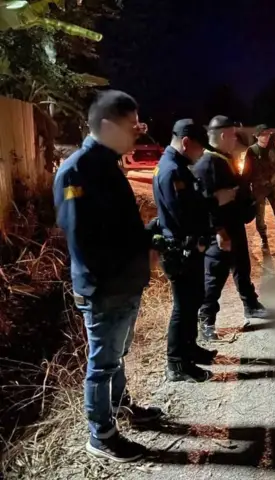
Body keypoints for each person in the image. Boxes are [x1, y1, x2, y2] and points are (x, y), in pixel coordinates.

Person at [53, 90, 161, 462]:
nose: (138, 132)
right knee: (102, 365)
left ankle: (120, 407)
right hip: (104, 289)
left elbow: (119, 229)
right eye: (132, 125)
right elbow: (84, 243)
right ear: (107, 126)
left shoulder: (107, 165)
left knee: (117, 356)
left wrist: (148, 241)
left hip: (124, 284)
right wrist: (123, 270)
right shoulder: (78, 171)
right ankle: (101, 434)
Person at [152, 119, 235, 382]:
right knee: (184, 306)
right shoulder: (171, 171)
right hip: (181, 250)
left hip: (189, 247)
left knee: (193, 300)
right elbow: (182, 214)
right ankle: (177, 363)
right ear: (186, 142)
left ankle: (190, 348)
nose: (202, 153)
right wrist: (214, 201)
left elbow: (191, 203)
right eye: (200, 147)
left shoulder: (177, 166)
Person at [193, 115, 269, 340]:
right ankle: (206, 320)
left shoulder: (223, 158)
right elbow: (206, 203)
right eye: (233, 135)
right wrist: (219, 231)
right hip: (221, 230)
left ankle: (251, 305)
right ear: (224, 135)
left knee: (241, 267)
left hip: (233, 224)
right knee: (215, 276)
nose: (236, 139)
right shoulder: (208, 163)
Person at [242, 124, 275, 253]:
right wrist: (244, 189)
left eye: (268, 134)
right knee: (260, 217)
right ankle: (264, 240)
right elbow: (246, 172)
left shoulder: (273, 149)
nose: (266, 137)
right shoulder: (252, 151)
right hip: (258, 189)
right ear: (257, 136)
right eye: (263, 134)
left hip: (272, 186)